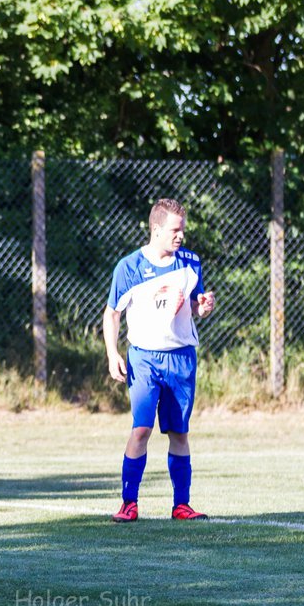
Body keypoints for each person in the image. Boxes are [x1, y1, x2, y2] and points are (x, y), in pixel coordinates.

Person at [103, 198, 217, 523]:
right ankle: (129, 503)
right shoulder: (130, 267)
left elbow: (195, 306)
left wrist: (203, 308)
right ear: (156, 229)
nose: (180, 236)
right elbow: (112, 314)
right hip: (144, 358)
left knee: (179, 432)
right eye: (174, 230)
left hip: (181, 357)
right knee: (141, 428)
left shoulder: (190, 263)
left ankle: (182, 504)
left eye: (182, 229)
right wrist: (113, 354)